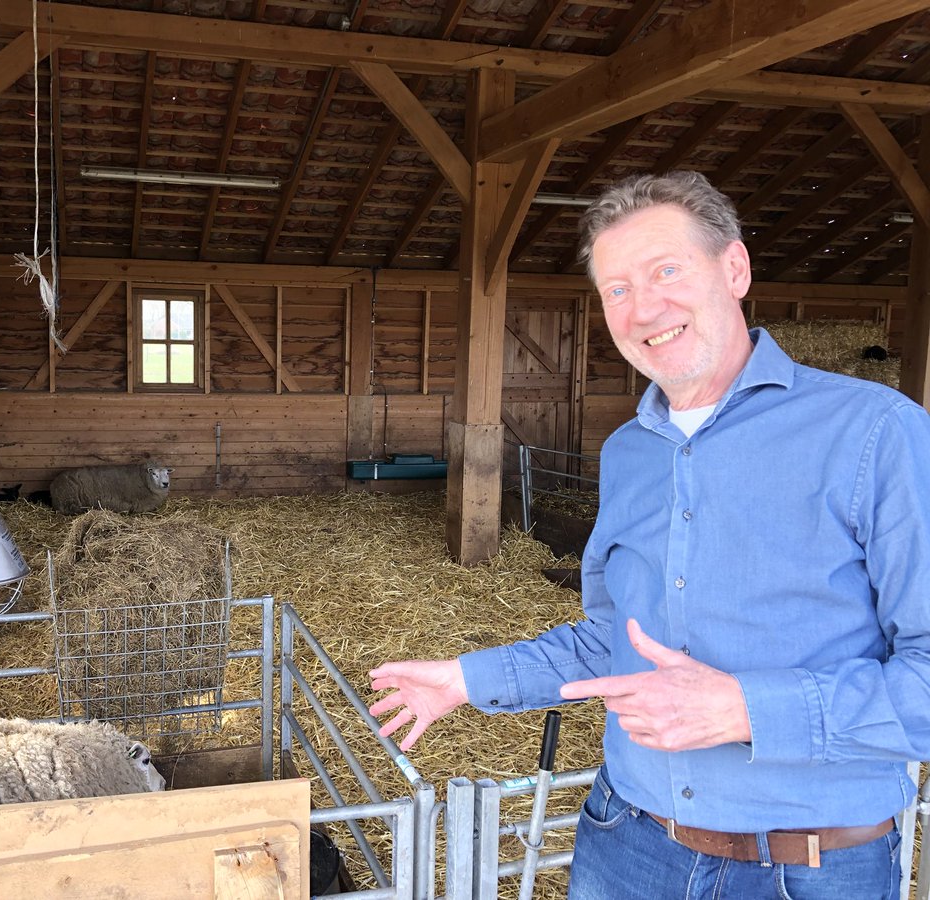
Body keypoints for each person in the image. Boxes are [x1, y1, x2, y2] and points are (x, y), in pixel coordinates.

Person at [369, 170, 930, 899]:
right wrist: (468, 679)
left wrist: (747, 710)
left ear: (734, 268)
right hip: (627, 842)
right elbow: (616, 642)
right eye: (617, 289)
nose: (644, 307)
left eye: (667, 270)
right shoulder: (630, 453)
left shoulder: (876, 433)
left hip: (808, 866)